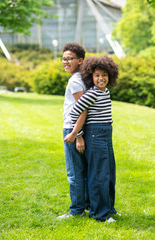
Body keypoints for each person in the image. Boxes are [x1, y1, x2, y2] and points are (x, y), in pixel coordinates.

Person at [64, 55, 119, 222]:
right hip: (94, 135)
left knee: (109, 172)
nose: (101, 78)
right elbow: (74, 113)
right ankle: (98, 214)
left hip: (106, 134)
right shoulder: (91, 94)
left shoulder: (106, 91)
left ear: (110, 76)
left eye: (104, 75)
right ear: (90, 76)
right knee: (98, 175)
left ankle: (108, 208)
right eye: (97, 75)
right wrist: (77, 135)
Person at [57, 42, 88, 219]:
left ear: (80, 60)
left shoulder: (75, 80)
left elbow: (81, 108)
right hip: (77, 129)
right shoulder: (82, 78)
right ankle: (86, 205)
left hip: (72, 129)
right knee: (82, 170)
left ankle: (77, 211)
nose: (65, 62)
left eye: (69, 58)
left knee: (75, 172)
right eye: (63, 58)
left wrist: (77, 135)